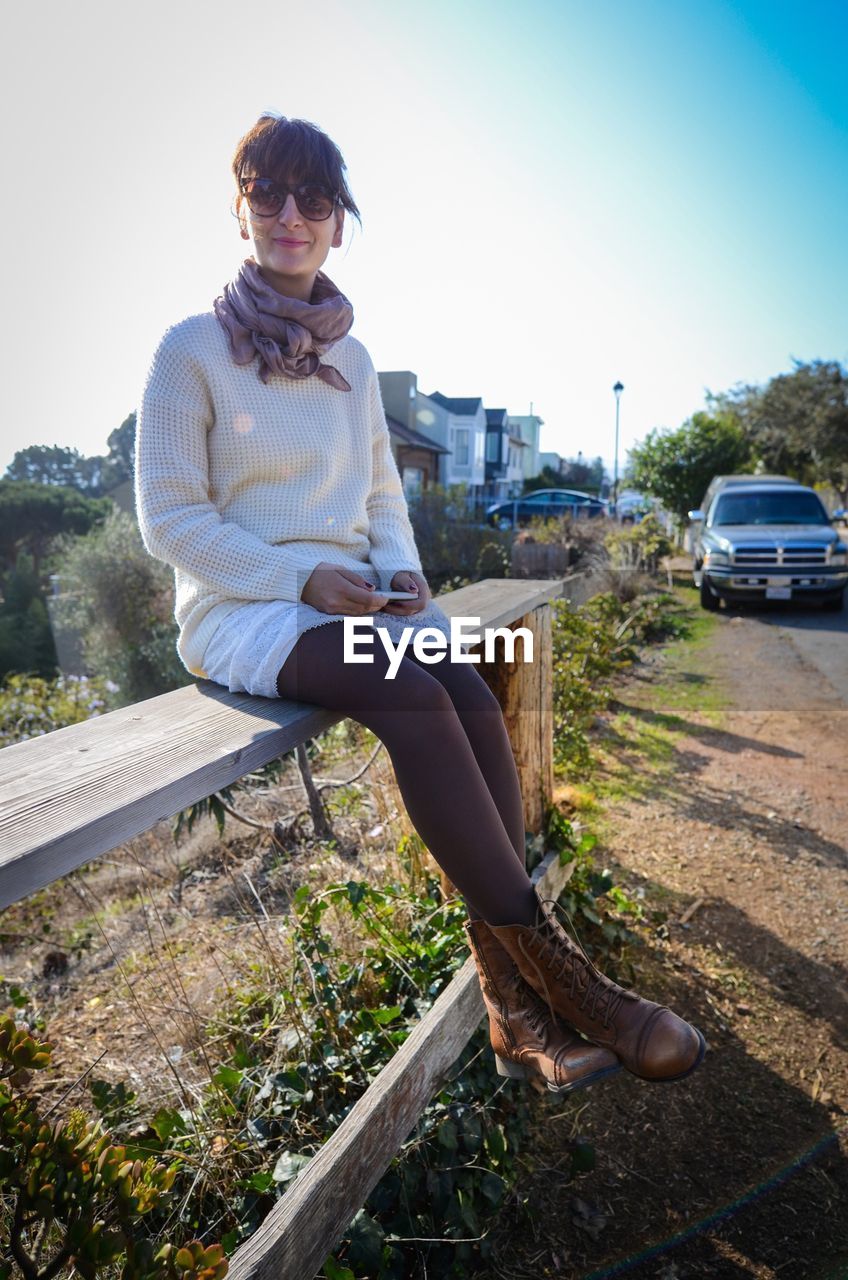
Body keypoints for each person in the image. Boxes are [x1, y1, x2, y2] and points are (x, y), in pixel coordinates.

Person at [134, 113, 704, 1093]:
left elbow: (379, 500)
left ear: (337, 224)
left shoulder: (351, 364)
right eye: (266, 194)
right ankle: (577, 988)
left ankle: (509, 1009)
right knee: (412, 697)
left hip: (351, 602)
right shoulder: (188, 349)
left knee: (474, 698)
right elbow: (168, 522)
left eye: (312, 198)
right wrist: (297, 577)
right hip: (246, 605)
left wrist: (401, 577)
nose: (289, 215)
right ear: (240, 210)